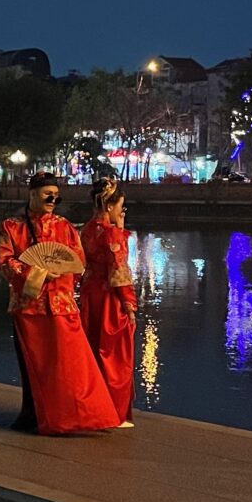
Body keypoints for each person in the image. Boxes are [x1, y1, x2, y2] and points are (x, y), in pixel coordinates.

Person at [0, 172, 121, 435]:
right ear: (32, 194)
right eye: (46, 194)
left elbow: (77, 263)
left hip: (62, 304)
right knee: (33, 366)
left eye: (55, 194)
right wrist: (37, 274)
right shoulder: (12, 226)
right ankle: (34, 414)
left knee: (72, 365)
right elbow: (5, 262)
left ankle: (83, 416)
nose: (53, 198)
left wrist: (59, 275)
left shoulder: (64, 227)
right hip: (28, 307)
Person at [80, 179, 138, 426]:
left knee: (92, 351)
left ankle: (94, 407)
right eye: (120, 206)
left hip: (90, 294)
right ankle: (114, 412)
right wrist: (129, 303)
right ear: (110, 205)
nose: (120, 212)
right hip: (109, 299)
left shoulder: (87, 229)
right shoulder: (112, 234)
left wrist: (120, 228)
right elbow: (119, 271)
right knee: (114, 357)